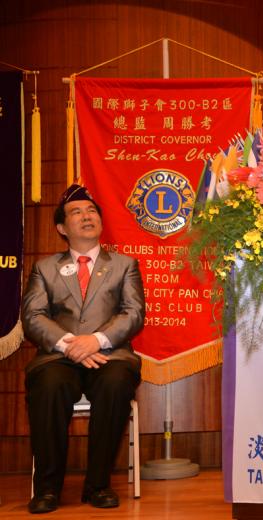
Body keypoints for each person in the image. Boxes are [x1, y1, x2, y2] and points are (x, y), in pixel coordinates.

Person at [23, 184, 144, 514]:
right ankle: (47, 489)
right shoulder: (45, 268)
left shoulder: (124, 265)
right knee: (49, 386)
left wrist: (96, 340)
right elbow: (33, 316)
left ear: (100, 222)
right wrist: (70, 344)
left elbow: (133, 312)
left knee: (116, 382)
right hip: (57, 356)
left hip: (110, 354)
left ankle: (98, 486)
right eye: (76, 212)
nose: (86, 216)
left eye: (91, 211)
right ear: (62, 228)